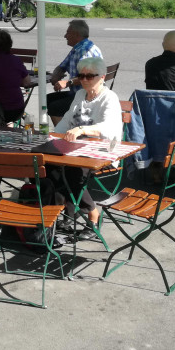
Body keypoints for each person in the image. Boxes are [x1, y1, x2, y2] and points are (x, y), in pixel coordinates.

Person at [54, 57, 124, 238]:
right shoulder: (80, 95)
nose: (84, 80)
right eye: (81, 76)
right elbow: (67, 120)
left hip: (103, 150)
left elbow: (108, 128)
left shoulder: (109, 98)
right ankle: (70, 211)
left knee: (72, 169)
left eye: (89, 76)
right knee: (50, 165)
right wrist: (52, 137)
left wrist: (82, 129)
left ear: (102, 77)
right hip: (76, 148)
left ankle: (93, 214)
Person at [47, 19, 103, 123]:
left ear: (76, 34)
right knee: (48, 99)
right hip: (77, 93)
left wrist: (68, 82)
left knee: (55, 107)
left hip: (87, 96)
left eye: (68, 33)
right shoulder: (77, 48)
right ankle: (68, 125)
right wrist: (56, 75)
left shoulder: (84, 51)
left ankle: (63, 131)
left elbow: (88, 76)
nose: (65, 36)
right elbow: (62, 66)